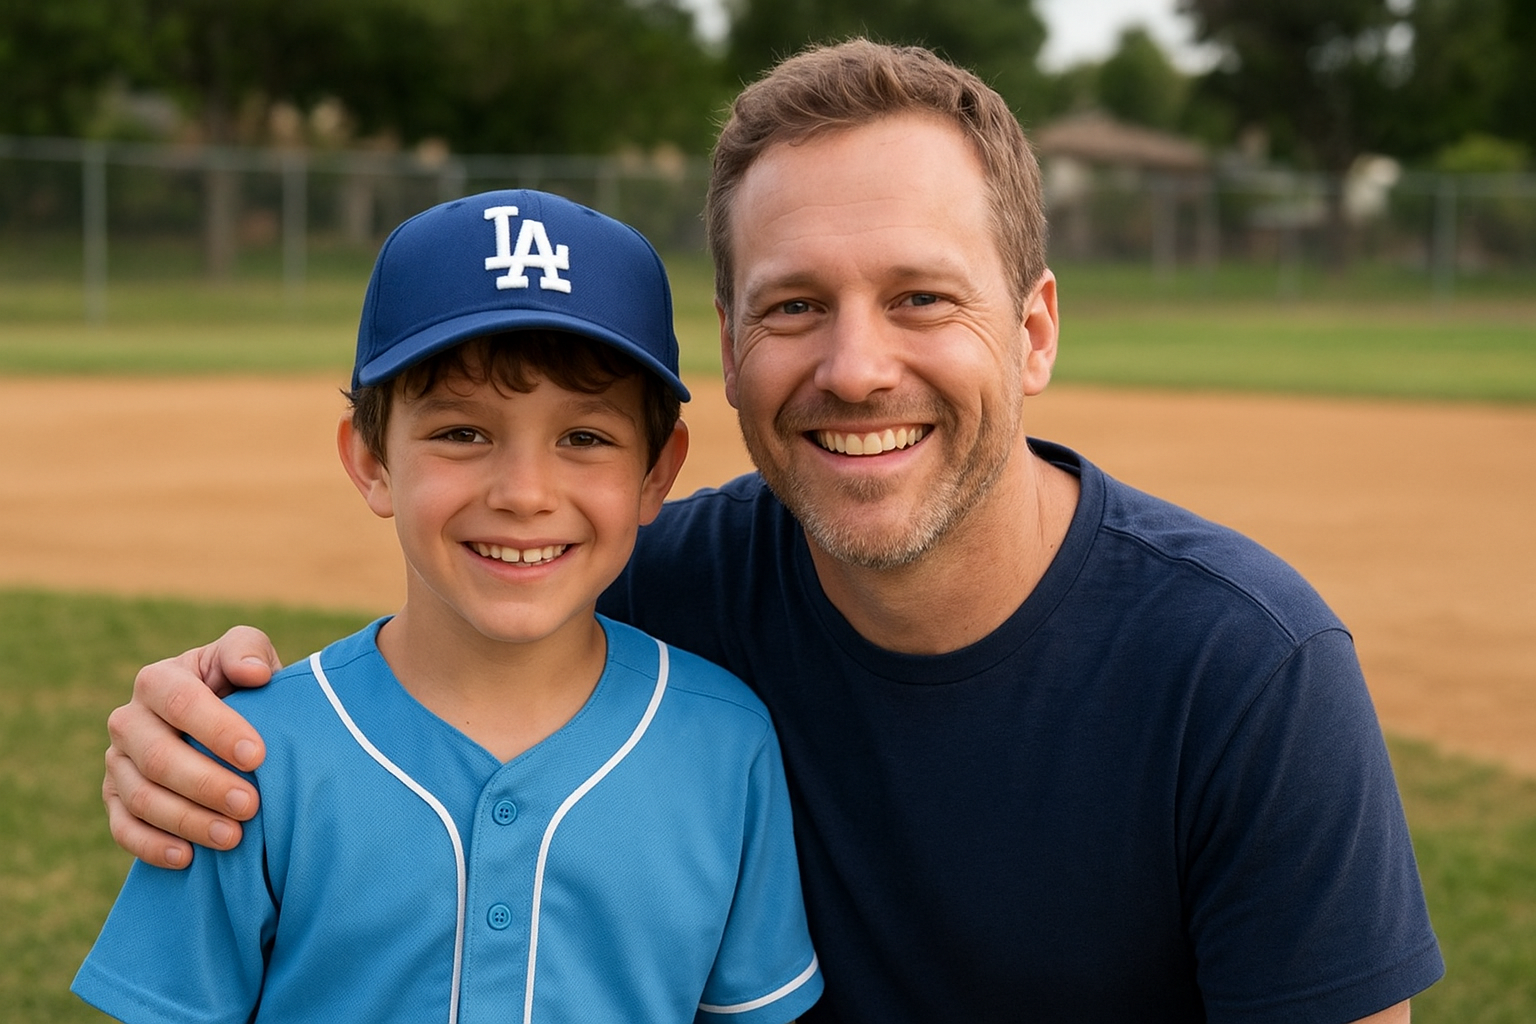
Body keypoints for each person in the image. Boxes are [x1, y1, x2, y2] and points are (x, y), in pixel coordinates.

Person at [99, 40, 1443, 1024]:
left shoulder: (1246, 668)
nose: (856, 369)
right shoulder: (649, 589)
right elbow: (425, 668)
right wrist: (195, 730)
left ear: (1032, 332)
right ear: (731, 358)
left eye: (921, 297)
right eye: (796, 306)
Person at [74, 189, 823, 1024]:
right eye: (462, 433)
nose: (524, 494)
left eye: (584, 438)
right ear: (370, 459)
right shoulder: (247, 757)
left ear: (657, 469)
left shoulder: (727, 744)